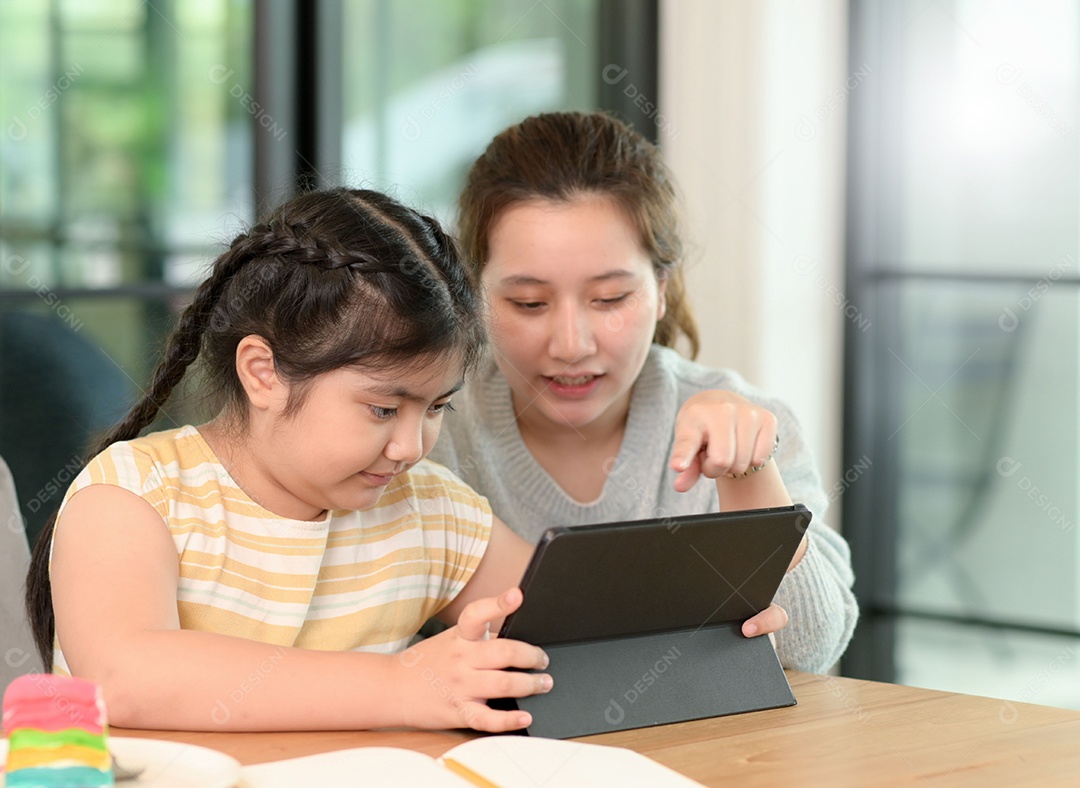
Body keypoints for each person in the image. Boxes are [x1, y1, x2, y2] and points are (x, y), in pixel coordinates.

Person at [24, 188, 552, 733]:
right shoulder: (134, 496)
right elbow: (126, 678)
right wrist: (399, 684)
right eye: (382, 408)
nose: (411, 447)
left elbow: (575, 623)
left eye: (438, 406)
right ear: (263, 373)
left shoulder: (431, 512)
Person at [427, 112, 858, 673]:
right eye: (529, 303)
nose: (571, 344)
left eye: (608, 299)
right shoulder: (430, 428)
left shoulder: (753, 424)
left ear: (660, 289)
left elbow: (813, 654)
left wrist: (748, 475)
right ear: (475, 294)